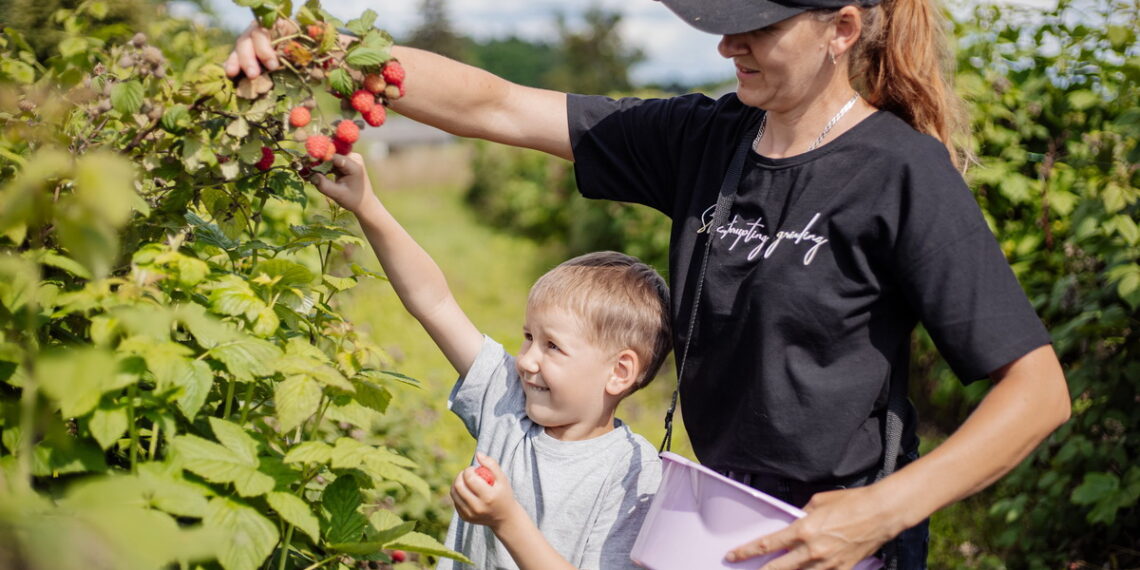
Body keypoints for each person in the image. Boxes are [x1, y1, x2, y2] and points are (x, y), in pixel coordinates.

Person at [227, 0, 1071, 565]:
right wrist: (324, 53)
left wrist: (880, 512)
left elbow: (1036, 391)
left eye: (756, 25)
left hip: (844, 544)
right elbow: (498, 106)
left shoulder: (899, 172)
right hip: (708, 524)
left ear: (842, 28)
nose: (726, 44)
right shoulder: (705, 141)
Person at [308, 153, 670, 569]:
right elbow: (435, 302)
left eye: (552, 346)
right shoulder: (509, 401)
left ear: (619, 372)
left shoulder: (632, 474)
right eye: (528, 337)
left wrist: (506, 519)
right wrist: (366, 204)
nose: (526, 361)